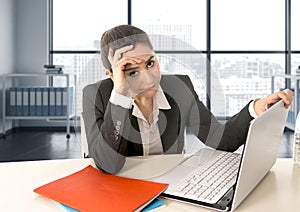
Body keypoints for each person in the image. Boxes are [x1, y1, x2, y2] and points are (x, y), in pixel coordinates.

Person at [82, 25, 293, 174]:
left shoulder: (179, 87)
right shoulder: (96, 95)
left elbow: (222, 139)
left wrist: (256, 108)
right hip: (122, 192)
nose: (148, 78)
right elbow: (109, 165)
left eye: (149, 63)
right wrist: (120, 96)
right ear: (111, 74)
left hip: (170, 188)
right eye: (130, 70)